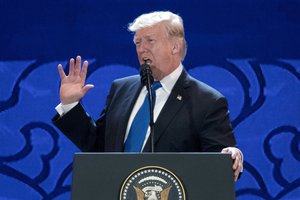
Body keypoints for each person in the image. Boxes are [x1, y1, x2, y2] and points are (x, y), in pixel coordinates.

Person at [52, 11, 243, 181]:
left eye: (150, 41)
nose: (141, 49)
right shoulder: (121, 88)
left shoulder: (207, 101)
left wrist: (229, 156)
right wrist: (70, 105)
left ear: (175, 46)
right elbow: (99, 146)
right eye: (137, 42)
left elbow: (221, 163)